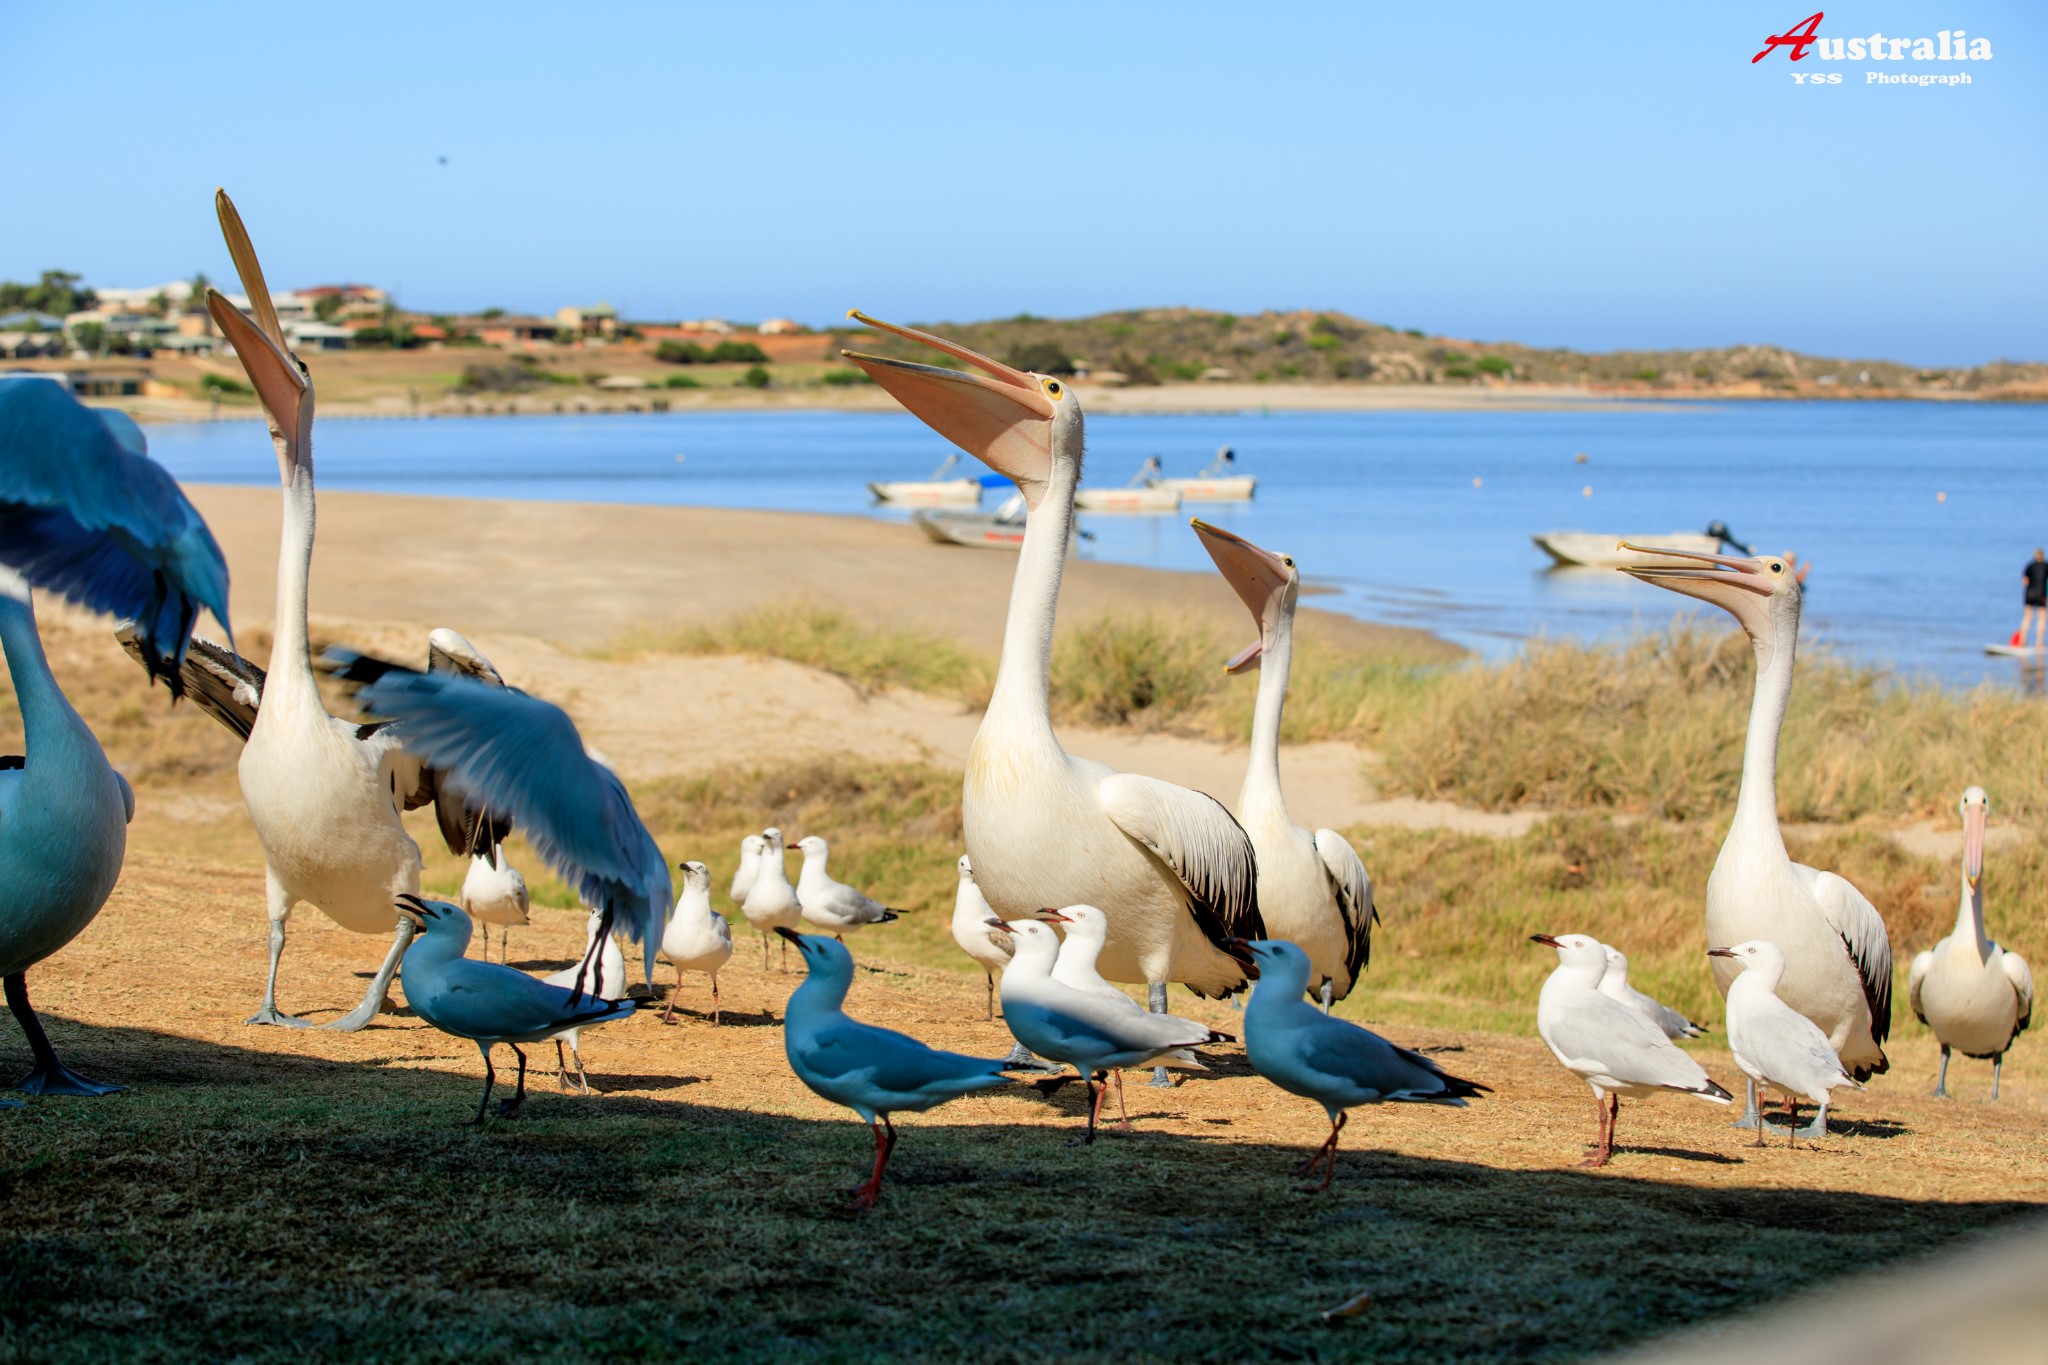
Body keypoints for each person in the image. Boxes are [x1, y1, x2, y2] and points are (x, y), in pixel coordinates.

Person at [2020, 548, 2048, 650]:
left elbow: (2025, 581)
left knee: (2027, 617)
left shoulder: (2030, 566)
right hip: (2041, 594)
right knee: (2042, 618)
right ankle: (2039, 643)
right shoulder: (2046, 566)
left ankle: (2022, 641)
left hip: (2029, 594)